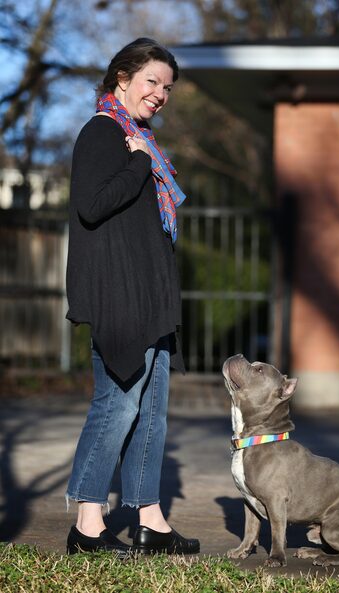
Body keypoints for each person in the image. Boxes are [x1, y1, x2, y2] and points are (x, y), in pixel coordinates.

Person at [64, 38, 199, 557]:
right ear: (122, 78)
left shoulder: (139, 138)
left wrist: (144, 155)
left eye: (168, 86)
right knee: (116, 407)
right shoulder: (104, 132)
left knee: (152, 412)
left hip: (151, 299)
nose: (161, 93)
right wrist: (141, 164)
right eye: (152, 81)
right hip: (121, 297)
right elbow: (92, 206)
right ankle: (88, 523)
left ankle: (149, 520)